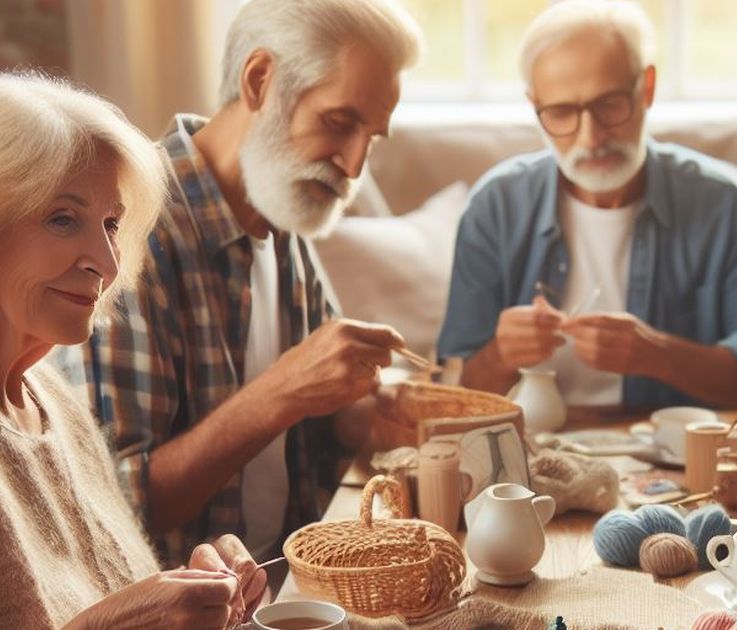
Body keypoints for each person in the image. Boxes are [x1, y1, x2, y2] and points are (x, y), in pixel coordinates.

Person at [52, 0, 425, 568]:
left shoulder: (283, 213)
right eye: (340, 122)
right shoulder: (130, 231)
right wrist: (281, 393)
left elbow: (320, 423)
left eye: (372, 137)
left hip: (291, 581)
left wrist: (375, 411)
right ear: (259, 80)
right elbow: (117, 507)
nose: (353, 165)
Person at [0, 72, 268, 630]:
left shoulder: (55, 401)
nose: (106, 260)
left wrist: (192, 587)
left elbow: (97, 592)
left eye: (112, 224)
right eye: (63, 218)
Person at [437, 0, 737, 410]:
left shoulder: (720, 206)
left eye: (608, 104)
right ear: (534, 105)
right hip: (526, 453)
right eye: (561, 112)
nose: (591, 138)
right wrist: (500, 355)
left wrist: (659, 354)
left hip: (665, 455)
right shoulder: (495, 208)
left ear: (648, 88)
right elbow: (451, 393)